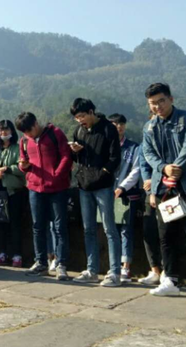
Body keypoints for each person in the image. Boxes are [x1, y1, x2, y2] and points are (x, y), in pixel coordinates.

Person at [142, 83, 186, 297]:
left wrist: (175, 169)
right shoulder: (149, 127)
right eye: (153, 103)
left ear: (171, 99)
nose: (158, 106)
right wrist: (164, 168)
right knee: (166, 236)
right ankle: (171, 280)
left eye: (161, 101)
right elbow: (148, 153)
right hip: (164, 190)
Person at [69, 98, 122, 287]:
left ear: (91, 112)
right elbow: (78, 158)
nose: (80, 120)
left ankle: (115, 272)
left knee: (109, 229)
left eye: (82, 116)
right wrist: (75, 151)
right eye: (77, 118)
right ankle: (92, 270)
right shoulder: (79, 131)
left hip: (103, 186)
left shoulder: (108, 129)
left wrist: (103, 174)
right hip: (84, 185)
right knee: (88, 229)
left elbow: (115, 158)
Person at [15, 112, 73, 280]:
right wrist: (24, 166)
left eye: (29, 130)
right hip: (35, 187)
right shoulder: (24, 141)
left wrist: (57, 175)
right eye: (24, 132)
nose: (28, 134)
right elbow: (23, 161)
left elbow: (66, 156)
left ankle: (61, 264)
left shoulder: (55, 133)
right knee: (38, 226)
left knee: (59, 227)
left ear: (35, 123)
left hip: (57, 188)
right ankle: (41, 262)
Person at [0, 120, 27, 268]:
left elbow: (22, 167)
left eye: (6, 130)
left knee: (15, 223)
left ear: (12, 131)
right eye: (1, 131)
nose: (3, 133)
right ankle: (1, 253)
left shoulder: (18, 147)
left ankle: (17, 254)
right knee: (0, 223)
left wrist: (7, 169)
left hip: (14, 190)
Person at [108, 113, 142, 283]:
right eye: (114, 124)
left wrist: (122, 187)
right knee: (111, 230)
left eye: (121, 123)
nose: (119, 127)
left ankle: (125, 267)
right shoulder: (106, 146)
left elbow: (136, 171)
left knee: (126, 231)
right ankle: (114, 265)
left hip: (128, 195)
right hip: (108, 194)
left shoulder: (134, 147)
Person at [138, 143, 163, 286]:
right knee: (149, 232)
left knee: (167, 233)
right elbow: (144, 168)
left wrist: (154, 182)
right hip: (151, 194)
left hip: (169, 189)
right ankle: (155, 270)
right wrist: (151, 192)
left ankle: (168, 272)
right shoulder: (144, 144)